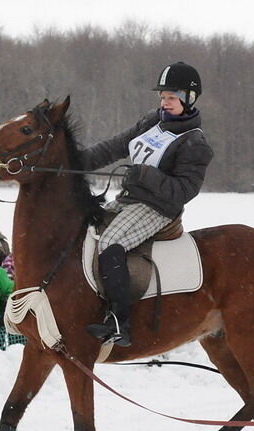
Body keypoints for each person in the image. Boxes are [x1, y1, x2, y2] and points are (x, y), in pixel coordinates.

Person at [77, 61, 214, 347]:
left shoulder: (194, 143)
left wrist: (147, 175)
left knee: (109, 243)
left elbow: (184, 191)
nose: (165, 103)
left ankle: (119, 321)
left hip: (159, 209)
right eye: (163, 97)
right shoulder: (153, 121)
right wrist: (77, 161)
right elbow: (116, 145)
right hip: (129, 199)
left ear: (189, 99)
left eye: (172, 98)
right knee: (85, 230)